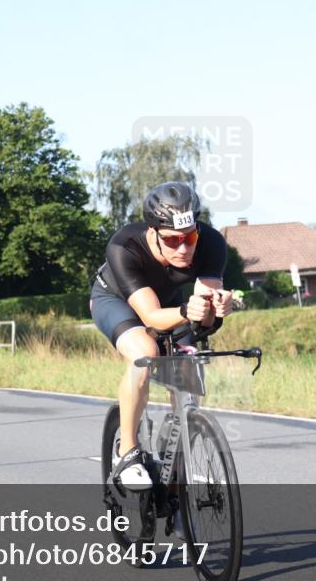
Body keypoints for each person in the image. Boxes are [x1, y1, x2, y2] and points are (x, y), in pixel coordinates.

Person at [90, 182, 234, 490]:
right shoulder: (124, 246)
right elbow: (152, 318)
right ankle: (126, 451)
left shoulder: (211, 242)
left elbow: (204, 320)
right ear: (154, 232)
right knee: (145, 352)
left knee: (188, 368)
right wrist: (187, 311)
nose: (184, 248)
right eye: (173, 241)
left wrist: (218, 307)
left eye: (190, 238)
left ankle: (176, 468)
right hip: (116, 300)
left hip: (171, 303)